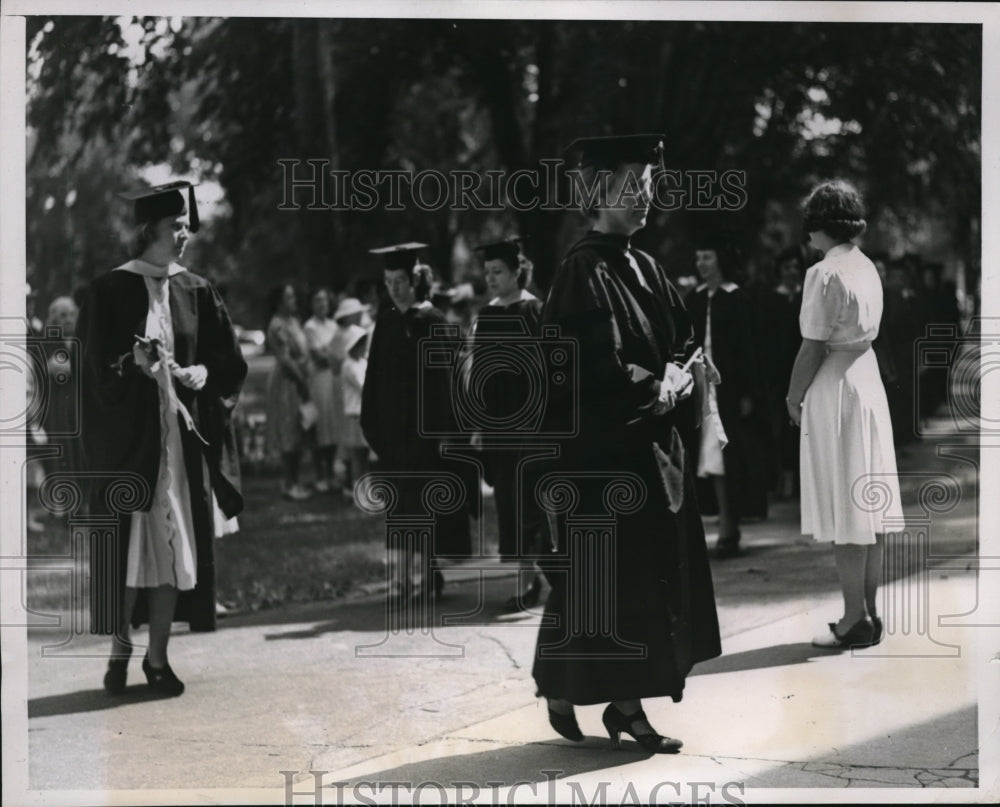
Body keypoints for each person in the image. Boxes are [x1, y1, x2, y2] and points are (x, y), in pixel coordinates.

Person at [532, 135, 721, 752]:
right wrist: (656, 389)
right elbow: (589, 366)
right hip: (607, 450)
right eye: (630, 184)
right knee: (610, 579)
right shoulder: (581, 270)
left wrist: (686, 366)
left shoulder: (645, 263)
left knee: (633, 580)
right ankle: (612, 703)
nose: (645, 195)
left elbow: (680, 335)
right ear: (596, 193)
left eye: (648, 183)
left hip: (655, 450)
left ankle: (593, 694)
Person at [77, 180, 247, 695]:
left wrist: (202, 375)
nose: (184, 235)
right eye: (176, 226)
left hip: (179, 442)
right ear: (149, 228)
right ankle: (120, 651)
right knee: (131, 553)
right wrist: (129, 365)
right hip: (131, 445)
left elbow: (228, 363)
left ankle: (157, 658)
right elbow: (89, 375)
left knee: (176, 550)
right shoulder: (109, 291)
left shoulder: (196, 289)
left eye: (185, 226)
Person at [786, 179, 902, 649]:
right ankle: (868, 612)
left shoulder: (824, 273)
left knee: (845, 505)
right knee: (867, 506)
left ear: (820, 227)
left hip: (836, 382)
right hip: (867, 379)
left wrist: (793, 397)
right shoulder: (867, 267)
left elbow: (812, 345)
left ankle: (854, 617)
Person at [361, 243, 472, 600]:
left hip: (426, 433)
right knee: (399, 505)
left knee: (423, 504)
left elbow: (445, 384)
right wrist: (373, 424)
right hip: (394, 432)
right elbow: (374, 377)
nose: (392, 288)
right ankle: (400, 580)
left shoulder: (433, 321)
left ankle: (427, 576)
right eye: (388, 280)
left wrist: (445, 431)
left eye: (399, 280)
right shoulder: (387, 321)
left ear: (415, 280)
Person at [470, 237, 548, 611]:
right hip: (498, 424)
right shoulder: (485, 316)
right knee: (508, 500)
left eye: (498, 271)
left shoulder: (535, 311)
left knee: (529, 499)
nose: (491, 278)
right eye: (487, 272)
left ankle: (534, 577)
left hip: (530, 422)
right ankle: (527, 576)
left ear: (518, 271)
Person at [686, 236, 767, 557]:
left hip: (729, 393)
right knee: (706, 459)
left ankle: (729, 526)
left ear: (720, 260)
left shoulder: (736, 299)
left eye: (707, 256)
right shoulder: (693, 298)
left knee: (724, 458)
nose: (701, 264)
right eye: (698, 258)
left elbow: (749, 350)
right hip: (700, 390)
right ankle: (722, 525)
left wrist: (749, 391)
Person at [265, 283, 312, 500]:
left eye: (293, 296)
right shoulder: (277, 325)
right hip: (288, 381)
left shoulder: (294, 321)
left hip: (300, 377)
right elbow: (284, 358)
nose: (293, 300)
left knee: (299, 427)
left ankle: (296, 480)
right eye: (288, 297)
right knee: (288, 429)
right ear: (279, 302)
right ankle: (289, 482)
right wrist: (301, 381)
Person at [303, 288, 339, 492]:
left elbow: (336, 351)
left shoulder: (333, 324)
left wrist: (331, 354)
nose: (321, 305)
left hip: (333, 379)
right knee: (320, 426)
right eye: (317, 301)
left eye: (324, 301)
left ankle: (331, 472)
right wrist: (332, 354)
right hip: (318, 380)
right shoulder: (310, 326)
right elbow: (320, 357)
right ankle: (320, 474)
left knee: (332, 425)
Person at [340, 324, 370, 494]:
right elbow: (363, 386)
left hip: (363, 412)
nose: (364, 347)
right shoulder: (349, 366)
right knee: (357, 454)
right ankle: (355, 488)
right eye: (361, 343)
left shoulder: (362, 362)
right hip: (354, 413)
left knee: (364, 453)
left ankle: (363, 487)